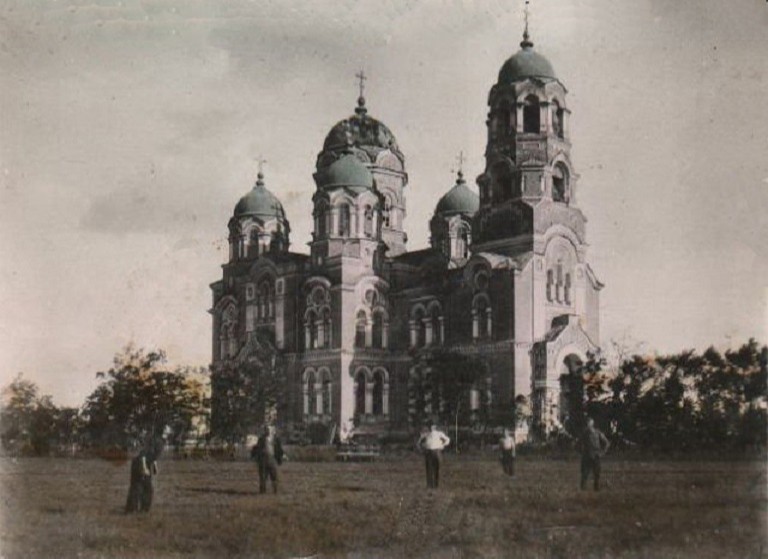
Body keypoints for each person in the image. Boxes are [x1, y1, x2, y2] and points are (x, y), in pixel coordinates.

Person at [125, 443, 159, 513]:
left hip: (145, 466)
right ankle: (132, 508)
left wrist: (154, 468)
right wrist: (144, 468)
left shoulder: (154, 452)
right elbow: (142, 457)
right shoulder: (148, 450)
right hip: (138, 465)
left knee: (147, 488)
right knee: (136, 487)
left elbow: (154, 463)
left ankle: (144, 508)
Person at [579, 417, 610, 491]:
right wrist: (582, 452)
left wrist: (602, 452)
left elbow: (607, 443)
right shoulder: (584, 433)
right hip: (587, 455)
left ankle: (596, 487)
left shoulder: (597, 433)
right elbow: (578, 444)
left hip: (596, 455)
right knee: (585, 473)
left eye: (590, 423)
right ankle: (583, 488)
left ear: (592, 424)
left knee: (597, 473)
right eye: (587, 424)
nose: (588, 425)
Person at [251, 425, 284, 494]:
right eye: (267, 429)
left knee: (274, 476)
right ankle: (262, 491)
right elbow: (257, 448)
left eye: (269, 429)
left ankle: (275, 490)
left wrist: (280, 458)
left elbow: (279, 449)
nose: (268, 431)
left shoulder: (276, 439)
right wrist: (254, 456)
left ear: (272, 431)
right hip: (263, 460)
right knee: (263, 476)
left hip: (272, 459)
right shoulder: (261, 439)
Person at [417, 423, 450, 489]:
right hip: (430, 451)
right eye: (431, 427)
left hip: (436, 451)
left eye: (433, 427)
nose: (432, 428)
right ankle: (430, 484)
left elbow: (447, 440)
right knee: (430, 469)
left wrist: (442, 445)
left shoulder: (439, 434)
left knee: (435, 468)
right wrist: (422, 448)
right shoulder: (426, 434)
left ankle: (434, 484)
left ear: (435, 428)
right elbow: (419, 442)